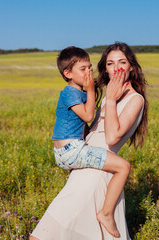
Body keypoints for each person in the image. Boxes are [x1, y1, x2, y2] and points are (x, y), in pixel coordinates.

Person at [30, 42, 148, 240]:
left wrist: (110, 99)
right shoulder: (110, 95)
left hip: (97, 173)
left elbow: (111, 137)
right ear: (105, 68)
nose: (116, 68)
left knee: (49, 231)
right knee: (51, 230)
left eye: (122, 62)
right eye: (110, 63)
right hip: (86, 162)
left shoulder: (135, 99)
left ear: (131, 67)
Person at [51, 46, 132, 237]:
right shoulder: (70, 92)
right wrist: (89, 89)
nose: (89, 72)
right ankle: (106, 214)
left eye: (90, 67)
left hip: (70, 150)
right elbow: (88, 115)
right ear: (67, 73)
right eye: (83, 69)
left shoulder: (78, 91)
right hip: (71, 150)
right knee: (123, 166)